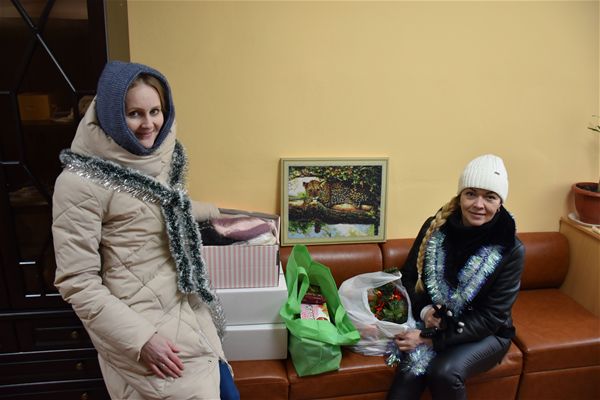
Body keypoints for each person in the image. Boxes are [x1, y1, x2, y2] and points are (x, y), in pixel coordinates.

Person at [52, 61, 239, 399]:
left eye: (155, 111)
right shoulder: (79, 183)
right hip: (146, 333)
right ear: (111, 115)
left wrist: (225, 215)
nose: (149, 124)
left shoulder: (160, 160)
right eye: (134, 114)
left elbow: (161, 209)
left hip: (191, 316)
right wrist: (141, 340)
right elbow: (77, 282)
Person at [387, 154, 525, 400]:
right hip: (435, 321)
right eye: (471, 194)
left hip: (487, 333)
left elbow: (491, 318)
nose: (479, 204)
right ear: (460, 196)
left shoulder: (511, 249)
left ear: (500, 203)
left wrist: (430, 339)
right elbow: (408, 277)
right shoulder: (434, 227)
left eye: (490, 197)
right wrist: (425, 312)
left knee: (444, 372)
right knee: (410, 373)